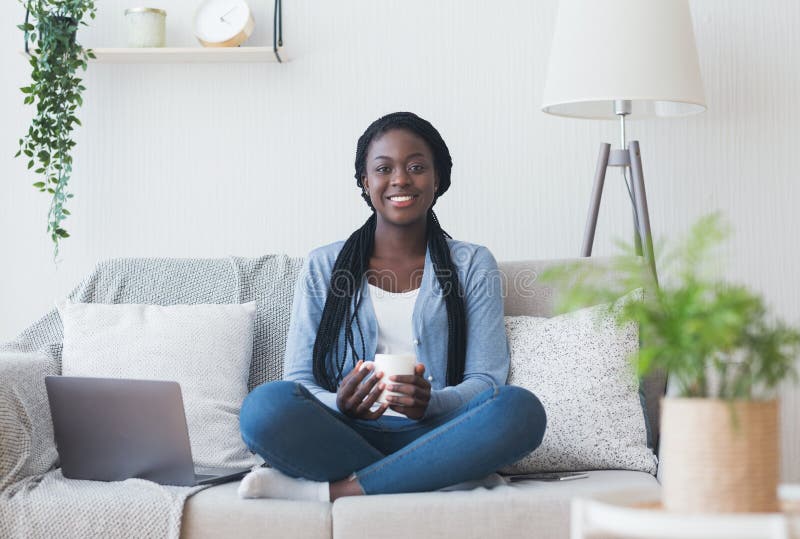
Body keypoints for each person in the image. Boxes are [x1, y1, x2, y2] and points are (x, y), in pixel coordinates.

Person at [237, 111, 546, 502]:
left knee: (520, 409)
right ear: (366, 182)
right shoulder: (324, 265)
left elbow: (486, 379)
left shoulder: (471, 263)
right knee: (264, 407)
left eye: (416, 167)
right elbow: (299, 381)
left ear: (438, 179)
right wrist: (342, 404)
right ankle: (440, 474)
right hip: (346, 432)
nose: (400, 179)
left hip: (441, 431)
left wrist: (431, 402)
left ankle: (343, 490)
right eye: (384, 168)